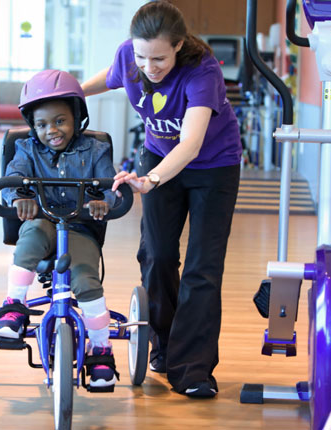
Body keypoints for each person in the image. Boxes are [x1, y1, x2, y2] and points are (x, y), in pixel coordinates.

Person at [82, 1, 242, 398]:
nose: (148, 67)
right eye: (141, 57)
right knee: (156, 255)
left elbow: (190, 143)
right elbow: (114, 75)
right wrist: (72, 92)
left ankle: (193, 371)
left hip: (213, 166)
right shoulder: (130, 56)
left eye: (159, 58)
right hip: (157, 155)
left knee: (202, 267)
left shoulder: (201, 69)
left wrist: (151, 180)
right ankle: (165, 347)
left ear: (178, 46)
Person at [0, 69, 120, 391]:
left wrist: (104, 201)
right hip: (41, 219)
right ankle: (14, 305)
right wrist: (20, 196)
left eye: (60, 121)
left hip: (80, 227)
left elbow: (110, 186)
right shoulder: (26, 149)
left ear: (77, 118)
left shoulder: (96, 151)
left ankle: (101, 349)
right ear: (33, 127)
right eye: (42, 124)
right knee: (32, 236)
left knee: (87, 278)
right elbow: (12, 178)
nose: (52, 130)